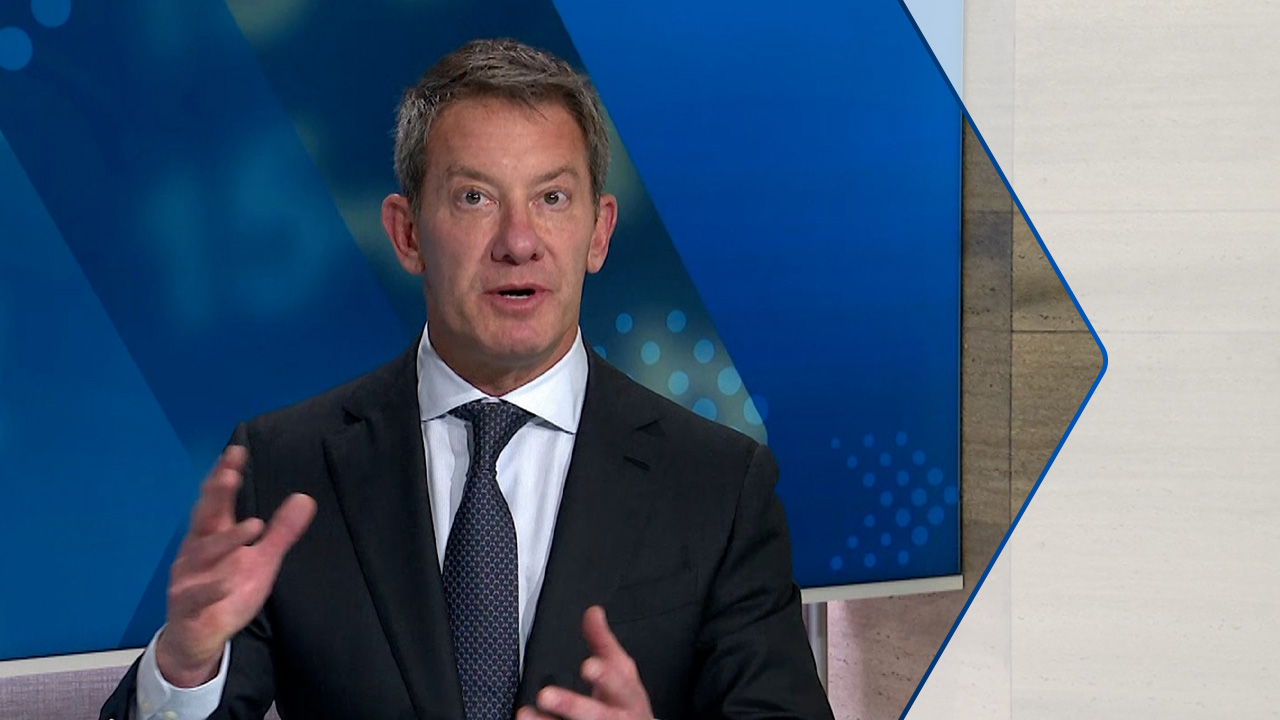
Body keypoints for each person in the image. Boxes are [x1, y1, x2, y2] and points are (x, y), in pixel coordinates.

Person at [100, 37, 833, 720]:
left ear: (599, 231)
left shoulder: (717, 485)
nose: (519, 241)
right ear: (407, 234)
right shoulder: (286, 468)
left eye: (552, 198)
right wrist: (186, 663)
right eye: (475, 197)